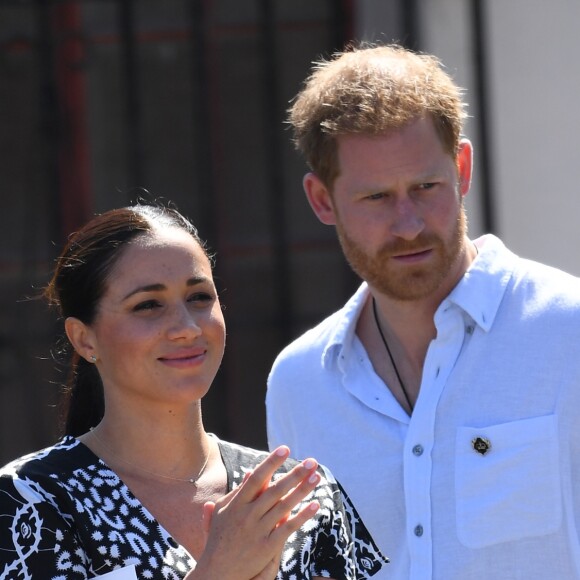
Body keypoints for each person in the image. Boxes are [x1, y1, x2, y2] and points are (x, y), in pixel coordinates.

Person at [266, 42, 580, 579]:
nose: (408, 222)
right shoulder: (299, 384)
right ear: (322, 201)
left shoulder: (567, 331)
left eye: (425, 187)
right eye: (377, 198)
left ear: (462, 168)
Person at [0, 204, 387, 579]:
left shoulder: (302, 497)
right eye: (148, 305)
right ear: (84, 339)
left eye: (199, 297)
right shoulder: (30, 501)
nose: (186, 327)